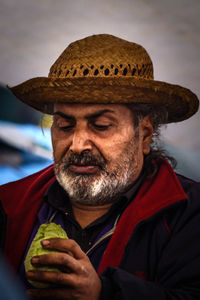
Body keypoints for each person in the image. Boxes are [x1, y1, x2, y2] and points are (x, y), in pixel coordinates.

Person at [0, 34, 200, 300]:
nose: (77, 145)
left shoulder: (189, 213)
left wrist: (103, 293)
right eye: (65, 126)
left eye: (101, 125)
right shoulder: (9, 204)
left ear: (145, 134)